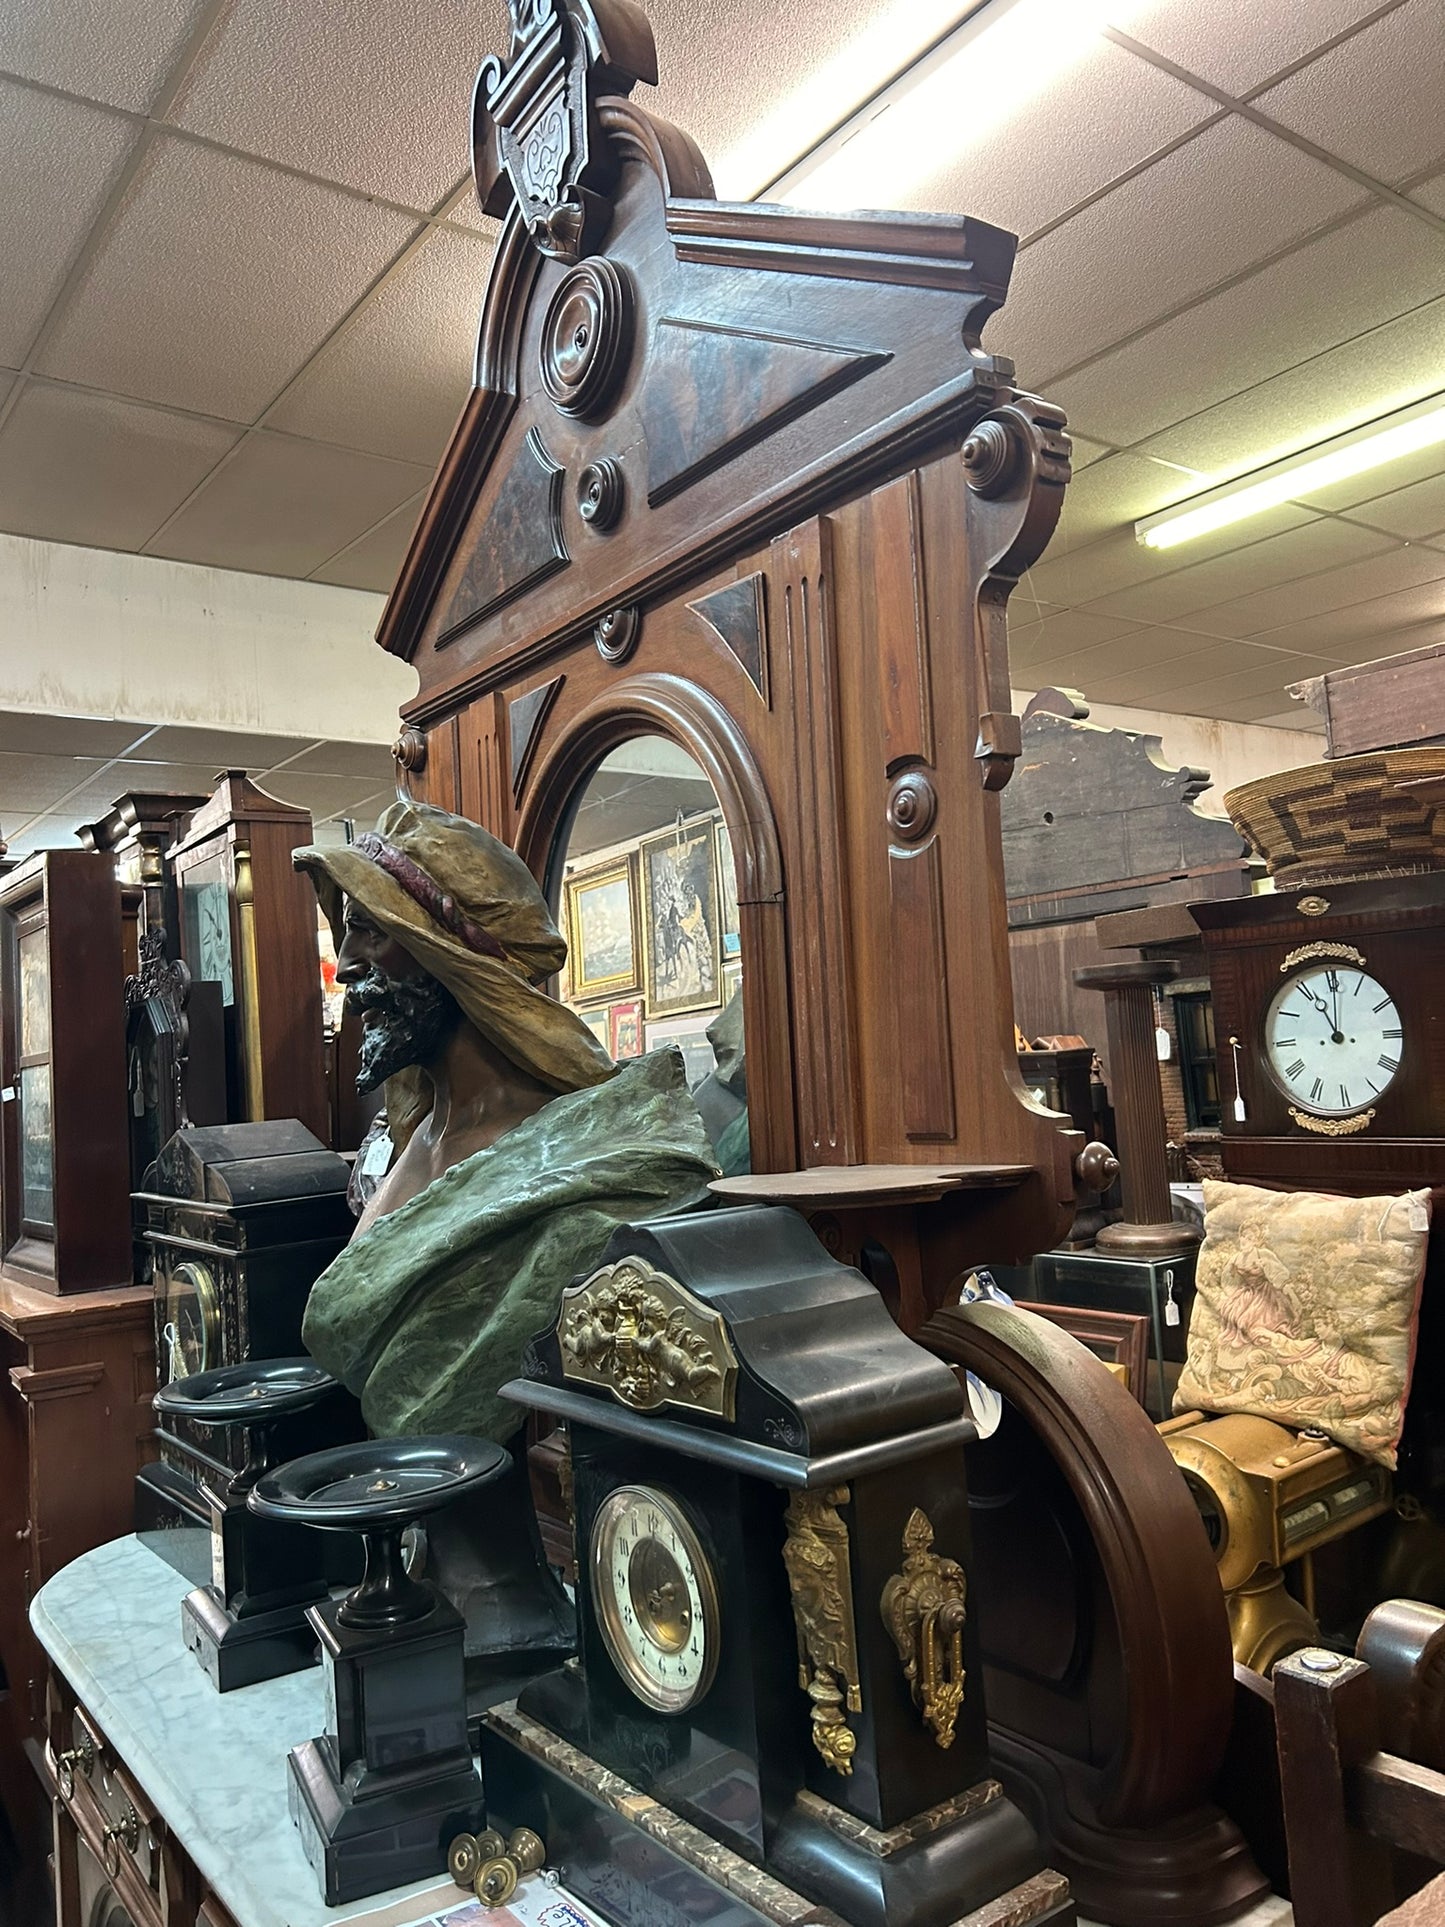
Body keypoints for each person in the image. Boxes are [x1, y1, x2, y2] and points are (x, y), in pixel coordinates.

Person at [293, 800, 720, 1444]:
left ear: (452, 958)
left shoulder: (587, 1176)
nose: (346, 964)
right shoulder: (417, 1137)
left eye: (371, 931)